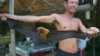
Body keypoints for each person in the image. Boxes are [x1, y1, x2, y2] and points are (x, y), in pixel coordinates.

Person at [0, 0, 99, 56]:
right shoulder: (57, 17)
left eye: (76, 3)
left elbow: (86, 32)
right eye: (72, 2)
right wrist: (15, 17)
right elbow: (37, 18)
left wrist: (94, 31)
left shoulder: (78, 20)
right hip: (62, 54)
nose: (74, 5)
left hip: (77, 53)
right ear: (65, 4)